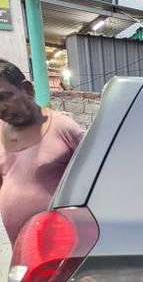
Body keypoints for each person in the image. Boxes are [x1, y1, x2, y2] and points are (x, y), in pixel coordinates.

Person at [0, 60, 85, 244]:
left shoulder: (63, 128)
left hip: (63, 246)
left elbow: (95, 180)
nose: (1, 108)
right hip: (22, 249)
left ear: (27, 90)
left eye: (4, 97)